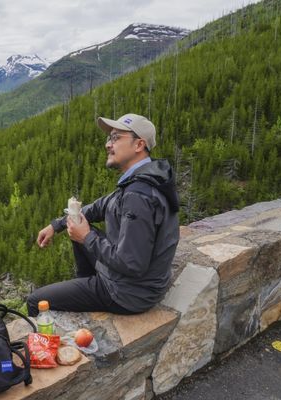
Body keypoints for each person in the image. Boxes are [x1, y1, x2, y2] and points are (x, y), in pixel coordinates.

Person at [27, 113, 180, 317]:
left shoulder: (138, 195)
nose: (108, 144)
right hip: (138, 283)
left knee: (36, 301)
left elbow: (131, 264)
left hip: (128, 294)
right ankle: (86, 286)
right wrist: (57, 225)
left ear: (139, 145)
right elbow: (98, 207)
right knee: (78, 222)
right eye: (109, 138)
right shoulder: (143, 179)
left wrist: (87, 237)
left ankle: (89, 292)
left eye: (116, 138)